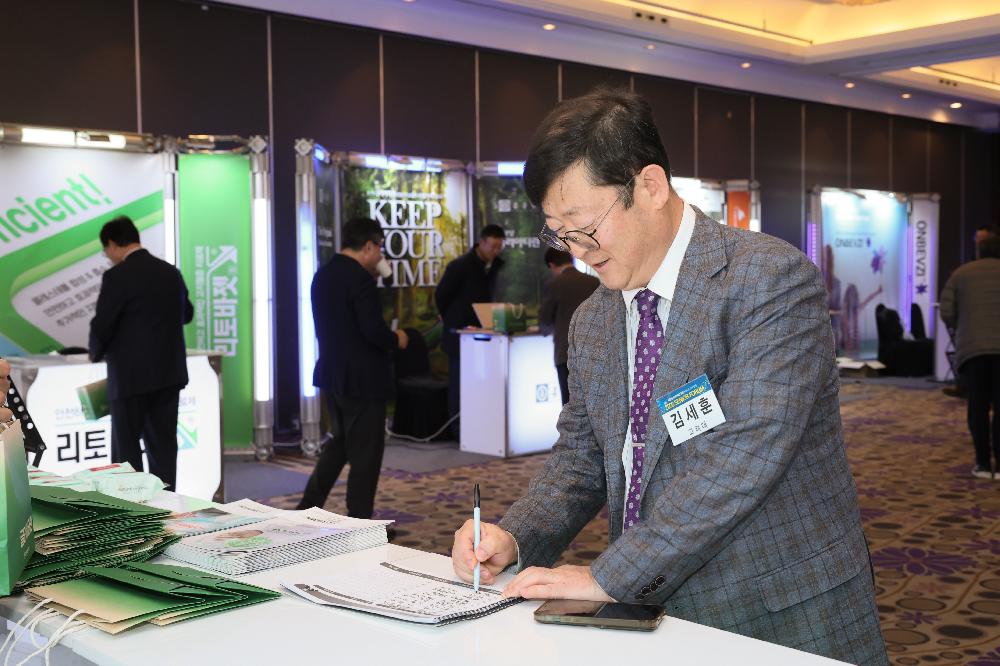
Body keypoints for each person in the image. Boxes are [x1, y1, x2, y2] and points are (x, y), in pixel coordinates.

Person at [450, 88, 887, 665]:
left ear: (650, 187)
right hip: (649, 615)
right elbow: (582, 457)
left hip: (779, 613)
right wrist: (515, 535)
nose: (578, 251)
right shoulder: (594, 319)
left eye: (584, 226)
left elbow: (744, 456)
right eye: (559, 233)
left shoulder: (768, 280)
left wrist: (612, 576)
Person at [298, 217, 408, 517]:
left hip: (332, 374)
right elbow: (372, 330)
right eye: (380, 248)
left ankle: (306, 507)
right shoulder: (360, 279)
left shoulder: (323, 274)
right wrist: (396, 339)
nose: (380, 255)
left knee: (340, 445)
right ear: (369, 246)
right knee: (365, 455)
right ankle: (360, 522)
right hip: (363, 380)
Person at [89, 216, 193, 490]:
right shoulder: (170, 272)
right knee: (163, 449)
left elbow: (103, 325)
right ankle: (166, 507)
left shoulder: (117, 276)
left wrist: (95, 353)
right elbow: (187, 314)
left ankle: (132, 509)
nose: (107, 256)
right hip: (168, 375)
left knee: (126, 454)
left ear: (113, 243)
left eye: (106, 250)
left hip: (129, 379)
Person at [434, 224, 505, 435]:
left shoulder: (495, 266)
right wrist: (451, 319)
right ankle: (459, 429)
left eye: (499, 246)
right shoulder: (460, 266)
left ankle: (479, 426)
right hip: (460, 335)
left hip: (485, 334)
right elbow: (441, 294)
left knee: (481, 383)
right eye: (493, 246)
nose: (496, 251)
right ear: (481, 242)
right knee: (459, 384)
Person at [940, 235, 1000, 479]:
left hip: (973, 350)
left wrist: (963, 327)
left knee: (978, 406)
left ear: (978, 251)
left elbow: (946, 311)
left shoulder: (960, 274)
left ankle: (983, 463)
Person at [538, 248, 598, 404]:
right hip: (594, 353)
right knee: (594, 404)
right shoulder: (593, 282)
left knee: (570, 404)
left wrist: (545, 329)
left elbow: (545, 320)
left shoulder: (554, 284)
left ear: (552, 265)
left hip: (566, 353)